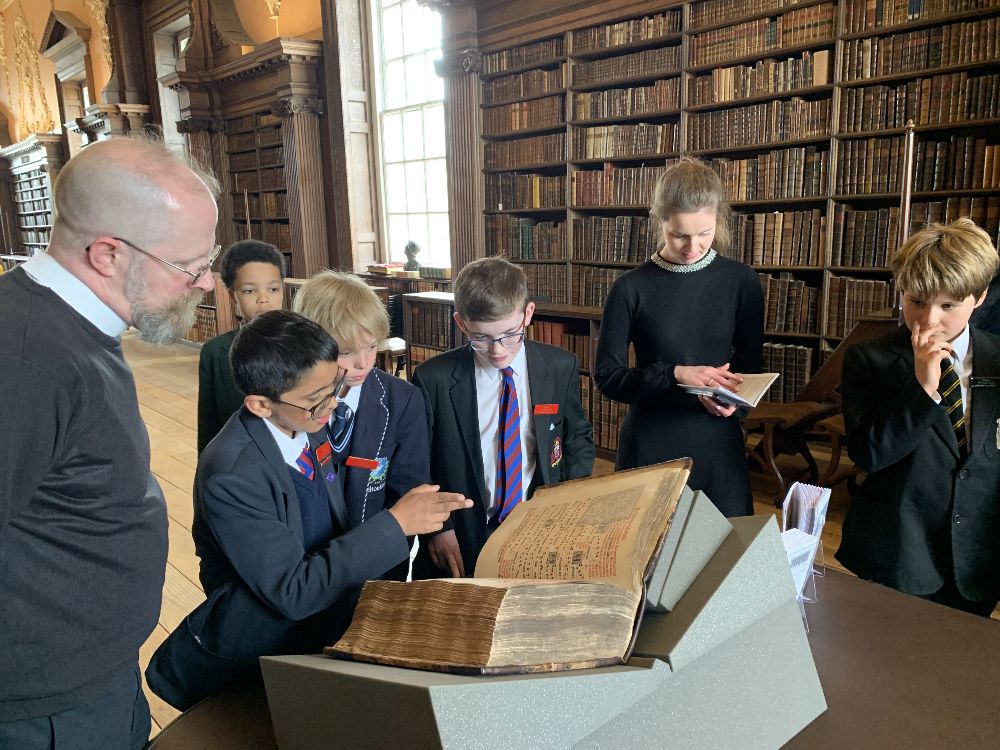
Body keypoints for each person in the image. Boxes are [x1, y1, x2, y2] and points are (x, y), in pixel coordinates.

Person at [0, 137, 219, 749]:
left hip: (87, 680)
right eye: (189, 265)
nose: (205, 282)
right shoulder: (24, 357)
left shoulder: (70, 330)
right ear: (107, 254)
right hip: (43, 709)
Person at [146, 311, 470, 709]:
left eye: (333, 387)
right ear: (261, 404)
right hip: (263, 653)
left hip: (322, 628)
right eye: (317, 400)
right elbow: (292, 591)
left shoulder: (302, 424)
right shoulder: (233, 476)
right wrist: (395, 523)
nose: (333, 405)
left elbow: (331, 526)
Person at [836, 218, 1000, 617]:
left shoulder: (996, 357)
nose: (928, 320)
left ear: (978, 298)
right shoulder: (870, 359)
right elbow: (870, 455)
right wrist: (922, 389)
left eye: (948, 306)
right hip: (900, 550)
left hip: (979, 551)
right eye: (916, 301)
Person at [594, 157, 764, 518]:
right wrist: (674, 374)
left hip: (718, 442)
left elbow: (749, 365)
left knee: (727, 563)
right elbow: (608, 378)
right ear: (660, 222)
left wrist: (736, 401)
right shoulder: (630, 288)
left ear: (718, 219)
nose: (692, 246)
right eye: (680, 235)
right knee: (647, 567)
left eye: (704, 233)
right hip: (651, 442)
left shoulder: (741, 281)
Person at [411, 257, 595, 579]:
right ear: (461, 323)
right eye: (481, 338)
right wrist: (437, 529)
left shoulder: (559, 366)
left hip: (536, 524)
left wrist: (565, 504)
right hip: (463, 533)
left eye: (510, 334)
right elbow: (417, 464)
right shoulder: (433, 379)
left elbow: (576, 439)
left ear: (528, 314)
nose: (497, 350)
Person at [293, 271, 430, 579]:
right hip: (304, 571)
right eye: (345, 352)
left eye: (370, 347)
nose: (363, 363)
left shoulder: (402, 400)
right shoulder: (286, 403)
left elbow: (407, 492)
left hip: (377, 568)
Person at [198, 239, 285, 454]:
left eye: (273, 289)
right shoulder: (215, 352)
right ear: (232, 295)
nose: (263, 299)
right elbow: (209, 424)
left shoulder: (305, 344)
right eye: (249, 291)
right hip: (239, 459)